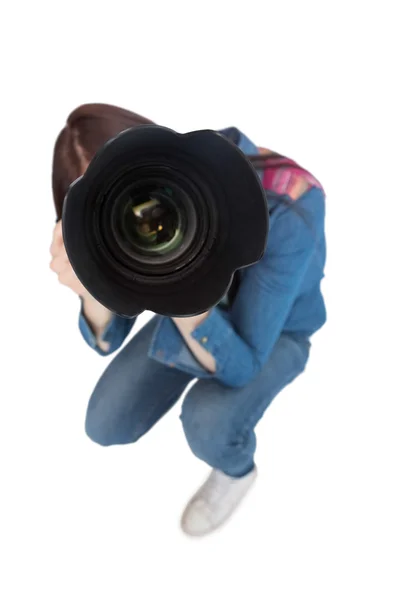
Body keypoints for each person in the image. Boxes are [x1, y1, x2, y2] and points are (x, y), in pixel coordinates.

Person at [50, 103, 327, 537]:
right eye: (107, 208)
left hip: (282, 332)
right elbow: (109, 337)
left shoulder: (290, 202)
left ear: (149, 148)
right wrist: (90, 287)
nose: (141, 216)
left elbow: (243, 366)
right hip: (183, 308)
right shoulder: (112, 227)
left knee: (208, 423)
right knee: (106, 423)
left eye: (136, 194)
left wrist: (184, 296)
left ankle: (236, 470)